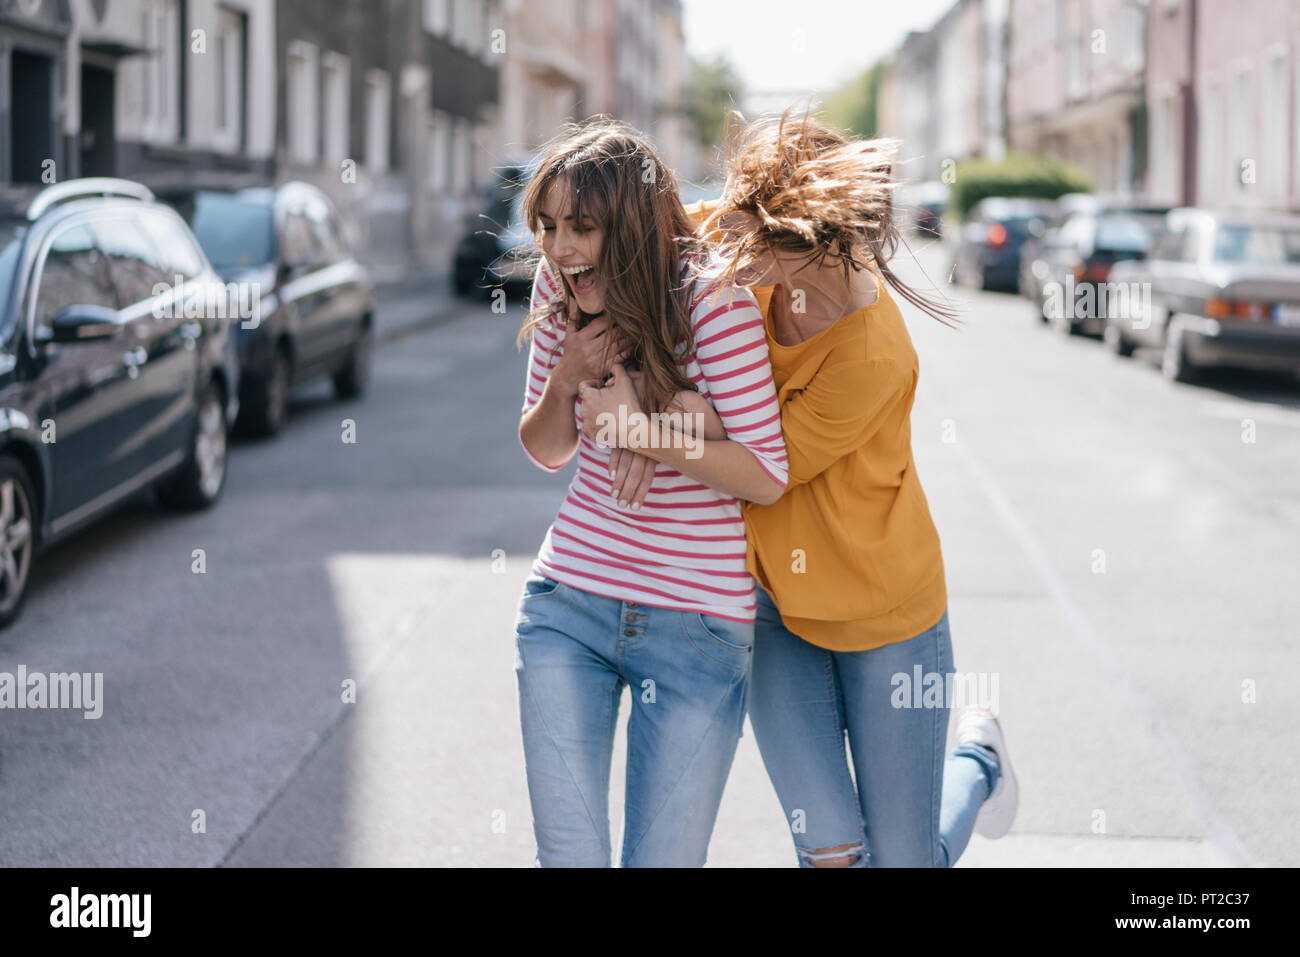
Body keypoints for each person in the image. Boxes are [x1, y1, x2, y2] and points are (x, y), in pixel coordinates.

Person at [603, 110, 1020, 867]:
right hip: (772, 604)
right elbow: (622, 258)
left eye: (750, 241)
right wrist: (628, 373)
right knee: (832, 852)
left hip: (885, 615)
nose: (726, 253)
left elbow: (763, 476)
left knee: (903, 859)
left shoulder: (871, 351)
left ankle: (979, 763)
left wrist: (648, 428)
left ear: (808, 243)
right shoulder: (744, 241)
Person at [513, 118, 788, 867]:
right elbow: (546, 448)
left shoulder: (711, 299)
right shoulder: (558, 288)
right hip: (569, 604)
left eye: (582, 226)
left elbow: (766, 473)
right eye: (547, 227)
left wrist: (645, 432)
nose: (560, 249)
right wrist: (571, 370)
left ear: (631, 225)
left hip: (696, 625)